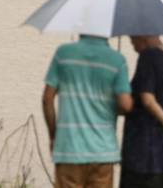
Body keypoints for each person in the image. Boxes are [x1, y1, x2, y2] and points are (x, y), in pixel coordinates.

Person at [42, 34, 134, 188]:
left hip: (69, 149)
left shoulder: (63, 54)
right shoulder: (117, 60)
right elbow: (125, 105)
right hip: (103, 152)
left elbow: (47, 99)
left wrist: (53, 135)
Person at [120, 35, 163, 188]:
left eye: (133, 40)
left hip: (142, 157)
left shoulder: (148, 57)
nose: (133, 46)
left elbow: (147, 99)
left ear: (143, 37)